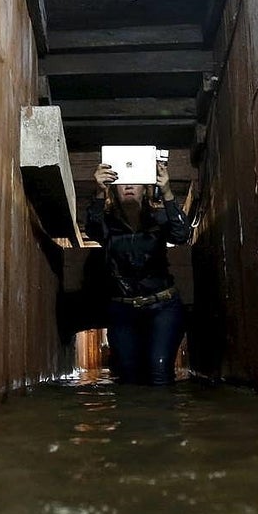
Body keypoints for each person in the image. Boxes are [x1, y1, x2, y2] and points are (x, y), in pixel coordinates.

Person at [86, 158, 192, 385]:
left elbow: (181, 235)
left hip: (163, 307)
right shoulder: (106, 223)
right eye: (124, 181)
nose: (129, 185)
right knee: (128, 377)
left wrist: (166, 191)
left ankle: (163, 418)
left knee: (159, 372)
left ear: (145, 189)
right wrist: (97, 193)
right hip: (123, 311)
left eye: (136, 181)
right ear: (115, 189)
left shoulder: (159, 218)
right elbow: (93, 229)